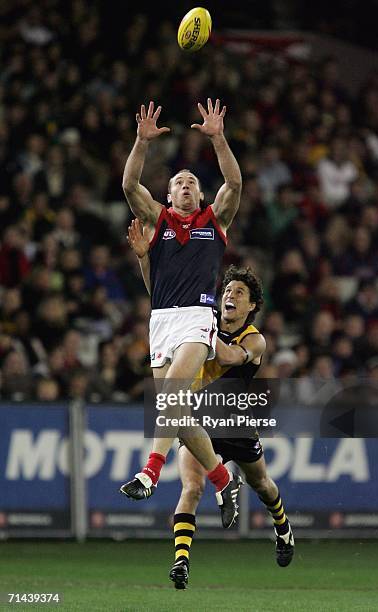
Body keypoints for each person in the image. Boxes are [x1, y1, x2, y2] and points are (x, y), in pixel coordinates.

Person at [127, 221, 295, 590]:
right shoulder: (201, 323)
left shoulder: (255, 339)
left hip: (236, 423)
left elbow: (232, 357)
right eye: (227, 290)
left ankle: (283, 529)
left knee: (262, 484)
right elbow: (164, 298)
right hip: (200, 422)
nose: (230, 296)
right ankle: (181, 562)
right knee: (191, 487)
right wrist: (146, 261)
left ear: (251, 306)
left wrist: (202, 327)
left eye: (239, 293)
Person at [120, 99, 243, 528]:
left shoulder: (215, 219)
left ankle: (149, 470)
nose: (186, 185)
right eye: (179, 183)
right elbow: (130, 184)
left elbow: (235, 183)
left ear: (200, 194)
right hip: (162, 321)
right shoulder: (158, 222)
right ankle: (224, 479)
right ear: (168, 195)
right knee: (178, 412)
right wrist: (140, 141)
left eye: (192, 181)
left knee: (171, 395)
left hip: (198, 319)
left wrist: (218, 137)